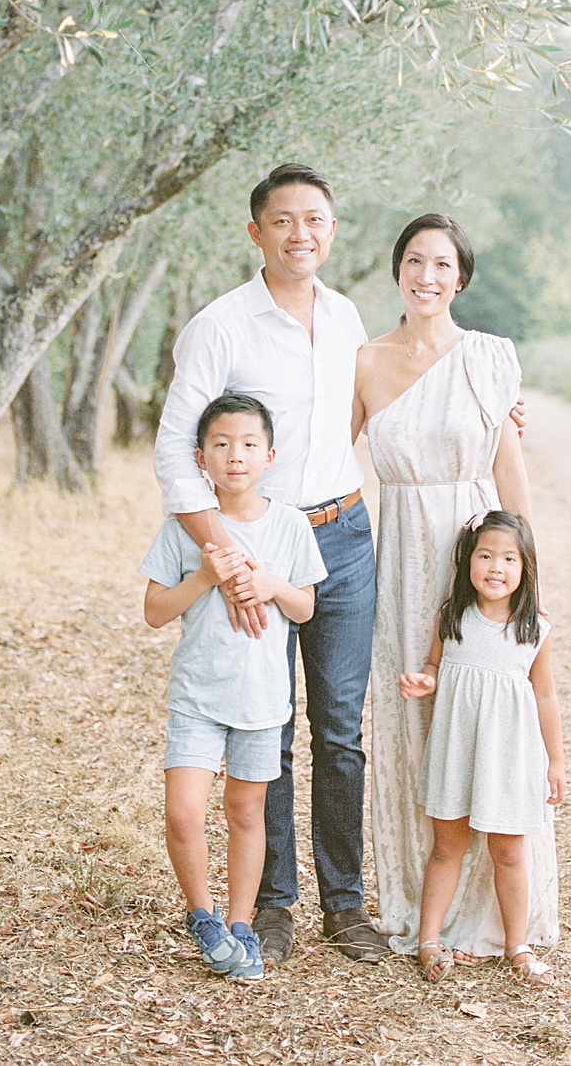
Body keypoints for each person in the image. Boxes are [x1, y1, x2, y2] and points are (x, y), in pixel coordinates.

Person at [152, 163, 387, 965]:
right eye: (282, 220)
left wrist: (498, 408)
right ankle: (275, 905)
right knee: (268, 721)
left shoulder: (348, 315)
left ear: (332, 226)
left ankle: (346, 904)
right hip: (258, 545)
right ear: (256, 232)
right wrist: (226, 551)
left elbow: (369, 403)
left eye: (314, 219)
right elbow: (175, 453)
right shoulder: (222, 324)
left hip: (345, 534)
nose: (300, 233)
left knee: (340, 724)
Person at [352, 213, 557, 958]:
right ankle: (421, 907)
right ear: (397, 269)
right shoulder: (366, 360)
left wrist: (525, 569)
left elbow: (509, 469)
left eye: (442, 263)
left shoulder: (491, 358)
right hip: (405, 552)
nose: (426, 275)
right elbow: (328, 457)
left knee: (494, 707)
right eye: (414, 259)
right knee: (415, 719)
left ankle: (500, 919)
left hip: (480, 546)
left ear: (461, 277)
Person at [140, 393, 326, 982]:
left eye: (248, 444)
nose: (235, 455)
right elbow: (153, 611)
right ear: (200, 458)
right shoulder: (182, 530)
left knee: (248, 814)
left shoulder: (291, 525)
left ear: (270, 455)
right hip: (197, 696)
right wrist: (205, 576)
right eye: (220, 444)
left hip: (262, 700)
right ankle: (203, 917)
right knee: (184, 814)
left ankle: (242, 926)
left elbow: (306, 609)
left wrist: (270, 583)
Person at [400, 510, 565, 984]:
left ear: (524, 568)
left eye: (508, 558)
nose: (496, 567)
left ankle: (518, 945)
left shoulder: (534, 628)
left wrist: (555, 760)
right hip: (457, 752)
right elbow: (434, 666)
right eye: (486, 555)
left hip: (511, 758)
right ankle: (429, 939)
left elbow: (546, 696)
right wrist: (422, 681)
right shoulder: (452, 617)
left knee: (510, 852)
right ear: (468, 561)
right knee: (446, 847)